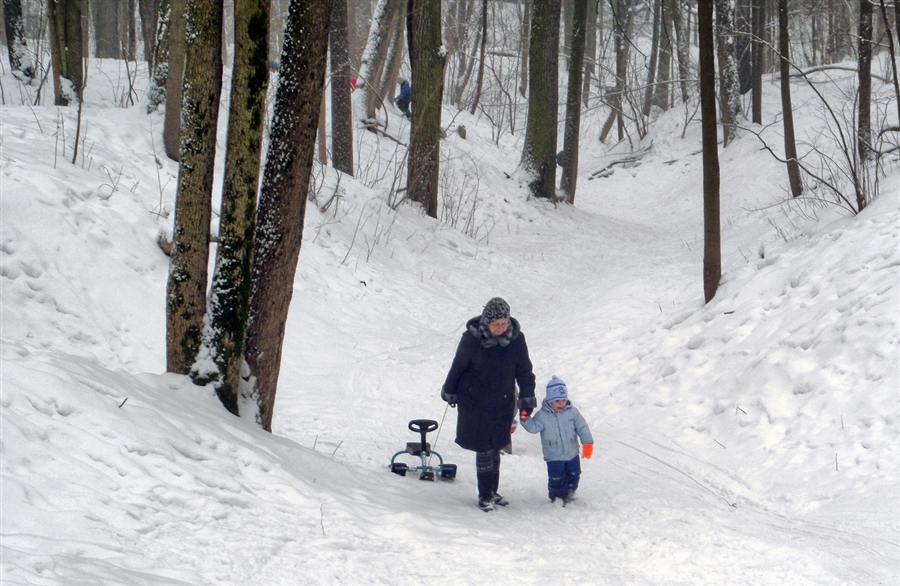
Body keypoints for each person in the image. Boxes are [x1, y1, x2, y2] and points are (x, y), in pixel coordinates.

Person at [441, 297, 537, 512]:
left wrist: (527, 398)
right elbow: (458, 366)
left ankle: (493, 492)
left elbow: (524, 371)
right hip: (474, 400)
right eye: (496, 324)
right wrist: (449, 390)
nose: (501, 328)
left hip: (502, 401)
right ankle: (485, 496)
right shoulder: (471, 339)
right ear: (487, 323)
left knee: (496, 446)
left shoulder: (517, 340)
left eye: (504, 323)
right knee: (484, 447)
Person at [520, 375, 593, 505]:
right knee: (556, 478)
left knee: (574, 473)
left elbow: (582, 427)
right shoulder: (542, 415)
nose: (561, 403)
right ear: (549, 400)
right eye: (557, 400)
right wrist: (525, 419)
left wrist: (587, 443)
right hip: (554, 456)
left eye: (564, 400)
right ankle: (557, 498)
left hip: (572, 453)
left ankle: (570, 491)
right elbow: (533, 427)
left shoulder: (572, 412)